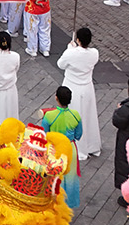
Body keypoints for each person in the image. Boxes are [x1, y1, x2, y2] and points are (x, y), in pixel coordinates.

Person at [57, 27, 101, 160]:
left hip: (72, 86)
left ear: (78, 40)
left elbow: (60, 64)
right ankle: (90, 145)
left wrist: (69, 49)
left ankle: (74, 145)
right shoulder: (94, 53)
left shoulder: (71, 53)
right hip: (87, 87)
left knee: (71, 117)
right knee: (87, 115)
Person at [39, 87, 82, 208]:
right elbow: (78, 135)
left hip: (54, 150)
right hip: (70, 149)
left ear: (56, 97)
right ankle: (69, 205)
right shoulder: (75, 115)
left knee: (54, 179)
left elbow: (44, 133)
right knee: (71, 177)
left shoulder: (49, 116)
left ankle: (54, 204)